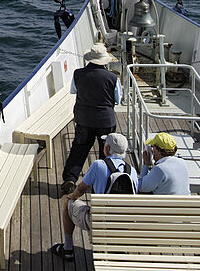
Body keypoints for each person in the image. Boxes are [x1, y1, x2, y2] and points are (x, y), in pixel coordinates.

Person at [49, 132, 136, 263]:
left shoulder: (99, 165)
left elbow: (81, 189)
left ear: (107, 149)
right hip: (123, 225)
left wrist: (72, 196)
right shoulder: (132, 171)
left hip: (99, 223)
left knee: (68, 202)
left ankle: (67, 249)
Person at [60, 43, 122, 196]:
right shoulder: (113, 78)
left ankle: (70, 178)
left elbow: (74, 91)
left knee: (79, 148)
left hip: (84, 118)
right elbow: (118, 99)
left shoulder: (78, 73)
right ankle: (103, 182)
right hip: (105, 121)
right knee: (106, 152)